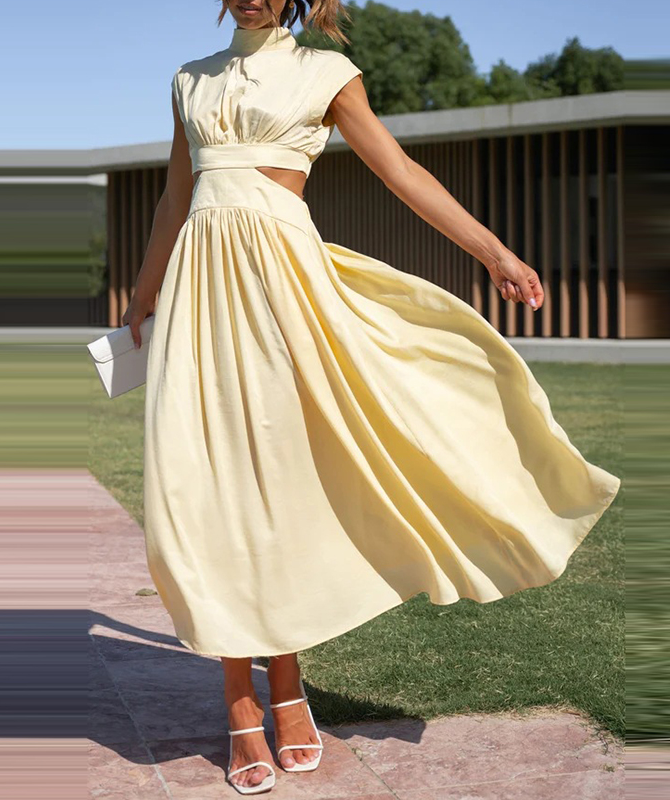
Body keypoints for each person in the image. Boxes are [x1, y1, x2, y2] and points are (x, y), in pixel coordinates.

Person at [122, 1, 622, 794]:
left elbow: (401, 171)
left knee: (281, 493)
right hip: (201, 297)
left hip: (288, 295)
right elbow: (174, 200)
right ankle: (238, 699)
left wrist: (493, 250)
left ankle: (285, 688)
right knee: (210, 492)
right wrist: (145, 295)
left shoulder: (327, 72)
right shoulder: (190, 80)